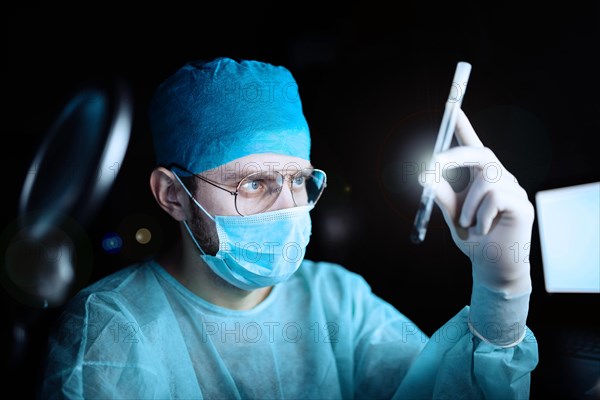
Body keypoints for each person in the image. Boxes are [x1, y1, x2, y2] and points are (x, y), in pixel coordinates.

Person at [38, 57, 538, 399]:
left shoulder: (336, 298)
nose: (288, 208)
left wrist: (501, 290)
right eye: (254, 184)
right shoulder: (112, 329)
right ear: (173, 196)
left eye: (299, 181)